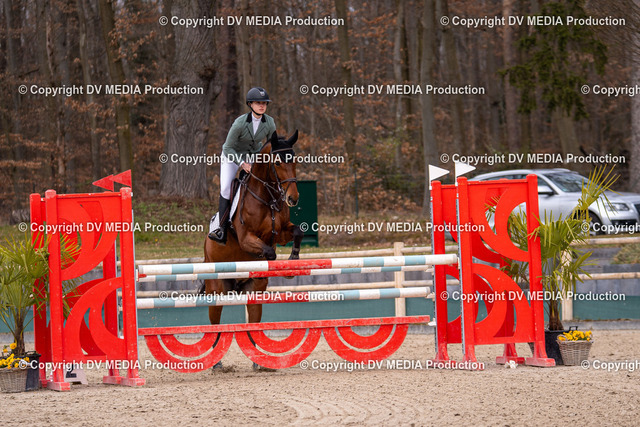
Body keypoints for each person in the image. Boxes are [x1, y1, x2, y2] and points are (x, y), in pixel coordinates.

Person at [208, 87, 277, 243]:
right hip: (232, 156)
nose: (262, 106)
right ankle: (221, 228)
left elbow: (272, 145)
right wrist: (241, 163)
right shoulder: (240, 123)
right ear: (250, 104)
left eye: (264, 103)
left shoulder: (269, 122)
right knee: (226, 189)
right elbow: (227, 147)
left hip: (253, 156)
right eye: (258, 103)